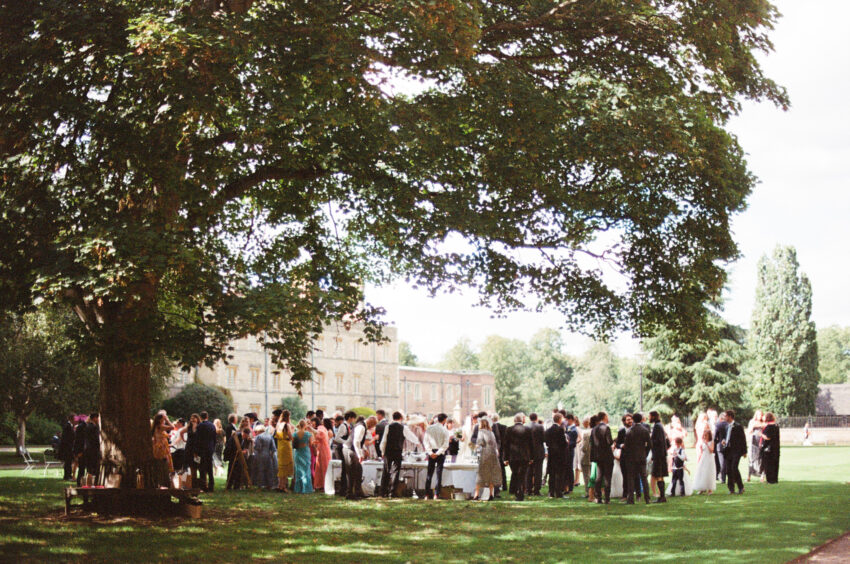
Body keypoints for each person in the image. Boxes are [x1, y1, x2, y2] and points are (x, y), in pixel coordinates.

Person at [379, 411, 422, 497]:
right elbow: (411, 436)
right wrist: (417, 442)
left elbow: (384, 440)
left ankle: (383, 492)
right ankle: (392, 492)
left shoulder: (388, 427)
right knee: (395, 471)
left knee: (386, 471)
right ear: (401, 418)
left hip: (388, 451)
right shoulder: (403, 427)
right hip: (398, 451)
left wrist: (382, 451)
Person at [623, 412, 650, 504]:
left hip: (631, 458)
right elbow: (649, 445)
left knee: (631, 478)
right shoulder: (645, 430)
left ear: (633, 419)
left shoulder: (629, 431)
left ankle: (630, 499)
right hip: (642, 457)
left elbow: (626, 446)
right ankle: (647, 498)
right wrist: (645, 453)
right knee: (644, 478)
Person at [503, 413, 532, 501]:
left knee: (515, 474)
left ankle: (517, 492)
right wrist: (531, 457)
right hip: (524, 456)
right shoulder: (527, 429)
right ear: (522, 420)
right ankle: (520, 492)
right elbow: (531, 444)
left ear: (514, 420)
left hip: (513, 456)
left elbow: (506, 445)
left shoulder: (509, 429)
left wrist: (506, 458)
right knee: (522, 475)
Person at [473, 418, 501, 501]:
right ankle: (491, 494)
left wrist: (473, 447)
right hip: (493, 455)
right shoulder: (491, 432)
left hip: (485, 454)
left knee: (481, 474)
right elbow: (495, 445)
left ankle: (476, 494)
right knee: (491, 475)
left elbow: (480, 442)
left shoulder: (481, 432)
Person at [424, 413, 451, 500]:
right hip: (439, 452)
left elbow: (425, 441)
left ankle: (427, 494)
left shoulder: (429, 428)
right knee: (438, 474)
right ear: (444, 420)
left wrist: (430, 452)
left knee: (429, 474)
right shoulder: (445, 430)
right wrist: (438, 453)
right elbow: (445, 444)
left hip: (432, 451)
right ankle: (436, 494)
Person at [591, 411, 614, 504]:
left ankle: (598, 497)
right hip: (607, 455)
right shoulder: (606, 428)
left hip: (598, 455)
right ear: (604, 417)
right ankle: (607, 498)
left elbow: (592, 441)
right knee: (607, 477)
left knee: (599, 476)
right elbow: (609, 441)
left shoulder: (594, 429)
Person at [544, 413, 567, 498]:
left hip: (551, 454)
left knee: (552, 474)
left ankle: (551, 492)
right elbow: (563, 443)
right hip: (560, 455)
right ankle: (558, 492)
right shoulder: (560, 430)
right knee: (559, 474)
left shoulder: (548, 430)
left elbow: (546, 442)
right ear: (560, 419)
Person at [722, 409, 746, 495]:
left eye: (725, 416)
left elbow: (743, 439)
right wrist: (724, 441)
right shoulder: (726, 426)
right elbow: (726, 437)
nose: (724, 417)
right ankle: (731, 488)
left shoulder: (738, 426)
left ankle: (741, 487)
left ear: (730, 416)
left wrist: (744, 451)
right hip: (728, 451)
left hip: (736, 451)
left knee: (734, 468)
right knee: (728, 470)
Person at [344, 411, 367, 499]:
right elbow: (356, 441)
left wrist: (364, 449)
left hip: (350, 448)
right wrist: (360, 454)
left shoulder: (359, 425)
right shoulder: (361, 427)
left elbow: (359, 440)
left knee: (359, 470)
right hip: (350, 449)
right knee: (352, 472)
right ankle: (350, 493)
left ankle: (358, 492)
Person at [648, 411, 669, 503]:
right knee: (659, 475)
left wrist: (650, 441)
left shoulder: (657, 426)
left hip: (659, 455)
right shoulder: (659, 425)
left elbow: (658, 441)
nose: (649, 418)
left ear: (653, 417)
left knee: (658, 475)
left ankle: (662, 496)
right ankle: (662, 495)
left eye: (650, 416)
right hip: (660, 454)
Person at [195, 411, 217, 492]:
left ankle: (203, 486)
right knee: (209, 468)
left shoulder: (200, 426)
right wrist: (213, 447)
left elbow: (197, 439)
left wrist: (196, 450)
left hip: (202, 449)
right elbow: (215, 438)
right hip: (210, 449)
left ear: (200, 417)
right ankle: (211, 486)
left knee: (202, 468)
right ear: (207, 417)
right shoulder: (212, 425)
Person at [250, 424, 277, 489]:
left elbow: (257, 447)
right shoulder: (270, 436)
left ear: (259, 431)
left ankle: (260, 484)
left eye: (256, 431)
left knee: (260, 470)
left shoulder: (258, 437)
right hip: (268, 455)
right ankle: (269, 484)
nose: (255, 433)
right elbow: (273, 448)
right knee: (269, 470)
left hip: (260, 455)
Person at [151, 413, 174, 488]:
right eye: (163, 419)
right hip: (161, 448)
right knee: (163, 464)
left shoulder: (157, 427)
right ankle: (163, 483)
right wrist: (167, 420)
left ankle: (163, 482)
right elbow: (172, 427)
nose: (164, 420)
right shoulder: (160, 426)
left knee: (164, 465)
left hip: (163, 447)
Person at [292, 420, 315, 493]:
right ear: (305, 425)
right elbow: (311, 443)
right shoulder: (308, 434)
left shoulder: (295, 434)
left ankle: (298, 488)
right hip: (305, 451)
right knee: (306, 469)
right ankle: (306, 488)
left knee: (298, 470)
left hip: (298, 452)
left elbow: (293, 444)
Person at [525, 413, 545, 496]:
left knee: (529, 471)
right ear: (536, 418)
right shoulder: (540, 427)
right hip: (538, 451)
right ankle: (537, 490)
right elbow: (544, 439)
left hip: (528, 452)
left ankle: (528, 489)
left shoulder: (526, 427)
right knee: (538, 472)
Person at [275, 410, 295, 492]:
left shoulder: (278, 424)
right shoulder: (287, 425)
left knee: (281, 465)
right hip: (286, 445)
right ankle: (283, 486)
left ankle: (280, 485)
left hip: (280, 445)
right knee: (286, 465)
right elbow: (291, 436)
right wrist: (293, 430)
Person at [692, 427, 716, 494]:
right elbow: (702, 452)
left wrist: (706, 444)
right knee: (702, 472)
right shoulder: (703, 442)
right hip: (703, 458)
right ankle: (702, 488)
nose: (705, 436)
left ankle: (710, 489)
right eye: (704, 435)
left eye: (706, 435)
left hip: (709, 459)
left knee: (709, 473)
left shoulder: (711, 442)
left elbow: (711, 450)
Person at [312, 417, 332, 491]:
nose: (313, 425)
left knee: (324, 466)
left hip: (323, 449)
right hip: (320, 448)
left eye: (313, 424)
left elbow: (321, 435)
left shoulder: (321, 428)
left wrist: (312, 430)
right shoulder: (320, 428)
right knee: (319, 467)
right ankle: (320, 484)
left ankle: (324, 484)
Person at [760, 412, 780, 483]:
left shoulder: (769, 427)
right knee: (775, 464)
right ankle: (774, 479)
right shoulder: (776, 426)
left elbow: (767, 437)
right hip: (776, 448)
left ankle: (770, 480)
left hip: (768, 448)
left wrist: (761, 434)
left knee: (768, 464)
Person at [82, 413, 101, 485]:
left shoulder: (87, 426)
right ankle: (91, 484)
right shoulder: (93, 427)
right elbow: (95, 439)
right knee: (93, 469)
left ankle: (88, 484)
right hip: (92, 450)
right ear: (94, 418)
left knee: (89, 469)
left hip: (88, 449)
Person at [59, 414, 75, 481]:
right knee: (68, 462)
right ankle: (67, 476)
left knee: (69, 462)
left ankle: (69, 475)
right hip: (67, 448)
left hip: (69, 447)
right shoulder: (67, 426)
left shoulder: (69, 426)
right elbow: (66, 438)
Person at [714, 411, 729, 483]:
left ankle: (723, 478)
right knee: (727, 462)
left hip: (720, 445)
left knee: (722, 462)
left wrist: (717, 442)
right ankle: (728, 477)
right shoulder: (729, 425)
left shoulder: (717, 425)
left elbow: (714, 437)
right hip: (728, 445)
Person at [579, 416, 593, 498]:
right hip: (594, 456)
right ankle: (593, 491)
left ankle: (588, 492)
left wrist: (580, 447)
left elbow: (584, 448)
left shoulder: (586, 433)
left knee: (586, 476)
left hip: (586, 457)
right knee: (593, 475)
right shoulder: (594, 431)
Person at [73, 415, 87, 486]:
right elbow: (79, 441)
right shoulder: (82, 427)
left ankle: (80, 482)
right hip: (82, 452)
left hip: (81, 451)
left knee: (81, 468)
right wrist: (79, 452)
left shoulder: (80, 427)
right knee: (82, 468)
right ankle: (80, 483)